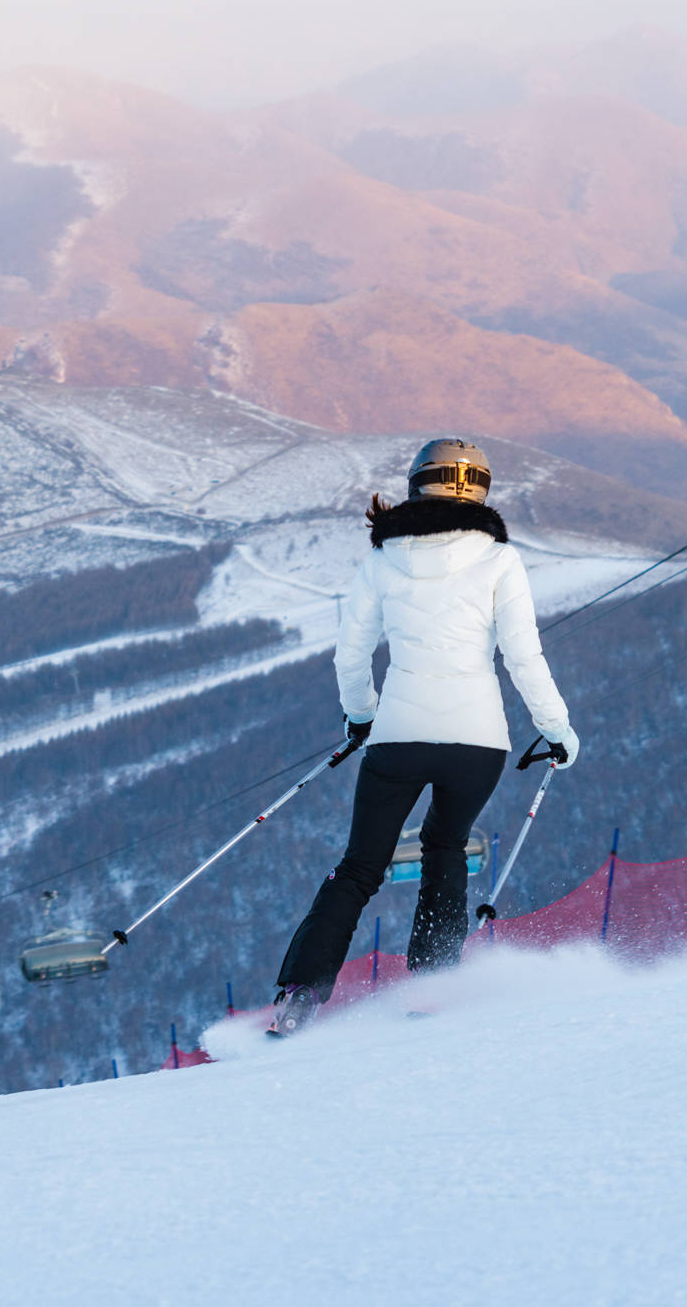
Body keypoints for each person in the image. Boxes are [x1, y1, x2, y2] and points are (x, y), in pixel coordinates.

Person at [268, 439, 578, 1036]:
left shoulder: (383, 559)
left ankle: (300, 995)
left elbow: (350, 655)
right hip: (479, 739)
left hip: (398, 736)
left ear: (417, 485)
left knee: (361, 867)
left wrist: (362, 716)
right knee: (446, 850)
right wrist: (556, 730)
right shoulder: (500, 560)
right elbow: (523, 655)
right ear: (482, 492)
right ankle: (433, 988)